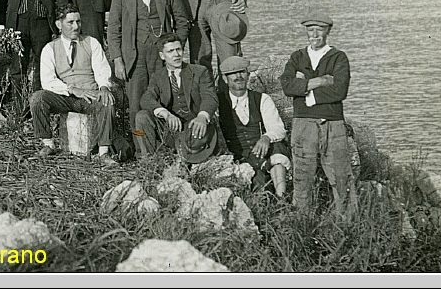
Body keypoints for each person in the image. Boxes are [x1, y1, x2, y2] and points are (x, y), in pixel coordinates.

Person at [107, 0, 191, 150]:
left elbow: (182, 21)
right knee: (136, 105)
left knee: (166, 99)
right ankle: (141, 149)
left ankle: (169, 144)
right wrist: (118, 59)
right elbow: (113, 29)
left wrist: (174, 49)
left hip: (162, 57)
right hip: (134, 58)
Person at [280, 13, 353, 216]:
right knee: (302, 177)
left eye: (319, 29)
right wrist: (320, 81)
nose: (314, 34)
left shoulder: (338, 57)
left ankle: (346, 225)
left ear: (328, 31)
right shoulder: (297, 57)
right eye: (310, 29)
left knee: (341, 177)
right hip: (303, 124)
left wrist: (303, 88)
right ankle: (302, 223)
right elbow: (287, 86)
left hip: (333, 124)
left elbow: (340, 90)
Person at [29, 6, 117, 163]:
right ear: (58, 24)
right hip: (64, 97)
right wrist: (72, 89)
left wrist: (103, 87)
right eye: (70, 22)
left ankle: (104, 152)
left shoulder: (91, 42)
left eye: (78, 21)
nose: (76, 26)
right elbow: (47, 81)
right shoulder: (50, 49)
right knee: (37, 98)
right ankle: (48, 144)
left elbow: (102, 69)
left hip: (89, 96)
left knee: (106, 101)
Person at [135, 36, 224, 164]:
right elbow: (146, 99)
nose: (176, 55)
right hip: (171, 129)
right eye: (170, 51)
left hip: (196, 129)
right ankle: (150, 162)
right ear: (162, 55)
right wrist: (166, 114)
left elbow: (210, 97)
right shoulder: (158, 76)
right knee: (142, 116)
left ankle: (192, 156)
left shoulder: (199, 72)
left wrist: (202, 117)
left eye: (179, 49)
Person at [218, 56, 290, 198]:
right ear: (225, 79)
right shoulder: (219, 102)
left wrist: (266, 137)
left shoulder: (262, 99)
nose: (238, 76)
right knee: (260, 189)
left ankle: (283, 198)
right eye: (233, 73)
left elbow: (278, 128)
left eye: (242, 72)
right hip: (238, 157)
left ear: (248, 75)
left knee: (278, 148)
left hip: (261, 153)